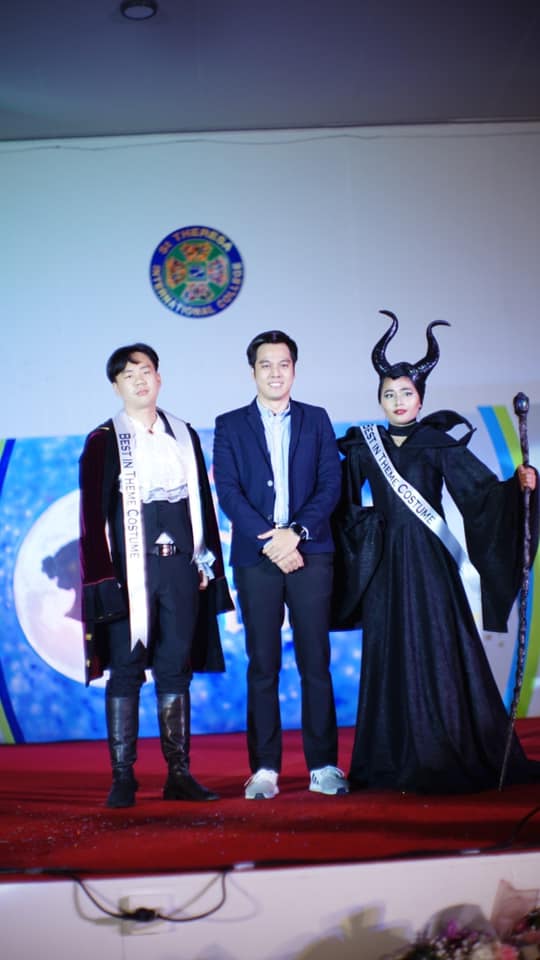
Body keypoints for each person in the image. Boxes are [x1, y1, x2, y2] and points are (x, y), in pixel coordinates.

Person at [335, 310, 540, 793]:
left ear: (421, 398)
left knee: (440, 644)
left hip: (430, 561)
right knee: (389, 647)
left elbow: (482, 496)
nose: (398, 401)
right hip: (383, 564)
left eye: (406, 393)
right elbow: (339, 504)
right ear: (380, 400)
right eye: (389, 394)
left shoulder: (437, 444)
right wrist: (365, 531)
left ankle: (449, 745)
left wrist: (519, 488)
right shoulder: (364, 446)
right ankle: (391, 755)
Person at [79, 343, 233, 808]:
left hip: (181, 565)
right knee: (126, 668)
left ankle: (179, 775)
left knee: (175, 668)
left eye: (146, 371)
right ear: (116, 387)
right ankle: (123, 776)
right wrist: (103, 581)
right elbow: (91, 518)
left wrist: (207, 565)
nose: (140, 380)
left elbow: (202, 503)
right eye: (129, 375)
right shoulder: (104, 440)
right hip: (130, 569)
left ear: (159, 378)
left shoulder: (184, 434)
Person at [213, 330, 349, 799]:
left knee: (316, 661)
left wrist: (298, 533)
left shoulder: (317, 419)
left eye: (284, 364)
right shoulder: (230, 425)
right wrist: (272, 540)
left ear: (294, 368)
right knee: (263, 664)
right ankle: (265, 769)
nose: (275, 372)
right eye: (266, 364)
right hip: (257, 557)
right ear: (252, 370)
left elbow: (331, 483)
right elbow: (228, 491)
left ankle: (324, 766)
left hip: (311, 552)